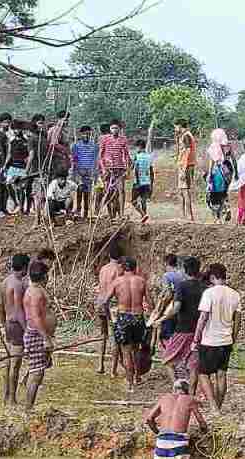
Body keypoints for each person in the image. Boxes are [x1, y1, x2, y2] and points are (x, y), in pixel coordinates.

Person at [192, 263, 240, 412]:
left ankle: (213, 406)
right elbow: (237, 321)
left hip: (209, 341)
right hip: (226, 341)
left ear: (212, 277)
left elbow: (203, 318)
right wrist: (233, 338)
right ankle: (219, 406)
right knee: (221, 373)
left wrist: (196, 338)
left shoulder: (209, 293)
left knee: (202, 373)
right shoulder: (235, 294)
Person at [155, 256, 204, 383]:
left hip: (183, 329)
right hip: (200, 331)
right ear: (198, 270)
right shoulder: (204, 288)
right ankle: (191, 394)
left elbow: (176, 308)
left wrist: (161, 319)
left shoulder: (182, 286)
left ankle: (176, 387)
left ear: (184, 270)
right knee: (193, 366)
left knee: (167, 360)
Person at [145, 379, 208, 459]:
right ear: (187, 390)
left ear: (174, 389)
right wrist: (204, 431)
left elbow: (149, 419)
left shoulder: (164, 398)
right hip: (178, 440)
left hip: (162, 441)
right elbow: (201, 422)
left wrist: (157, 432)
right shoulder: (190, 399)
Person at [108, 257, 151, 390]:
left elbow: (105, 300)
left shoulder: (117, 282)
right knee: (136, 349)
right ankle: (137, 377)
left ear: (123, 268)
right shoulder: (141, 281)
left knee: (126, 352)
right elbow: (150, 303)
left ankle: (130, 383)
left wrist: (110, 316)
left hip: (123, 317)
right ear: (135, 268)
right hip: (138, 317)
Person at [21, 261, 56, 410]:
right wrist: (45, 338)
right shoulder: (35, 292)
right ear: (43, 276)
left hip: (39, 334)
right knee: (37, 374)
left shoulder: (37, 289)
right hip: (36, 335)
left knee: (39, 369)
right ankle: (28, 409)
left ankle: (25, 383)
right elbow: (35, 317)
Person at [0, 254, 30, 405]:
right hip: (17, 326)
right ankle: (12, 399)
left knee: (9, 363)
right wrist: (27, 330)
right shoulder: (17, 284)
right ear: (24, 267)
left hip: (8, 325)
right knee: (15, 364)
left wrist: (3, 324)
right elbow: (19, 312)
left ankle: (5, 395)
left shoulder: (5, 282)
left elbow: (1, 306)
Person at [96, 245, 123, 375]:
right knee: (115, 337)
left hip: (100, 302)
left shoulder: (103, 269)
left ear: (109, 256)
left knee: (103, 335)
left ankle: (100, 365)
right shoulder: (119, 269)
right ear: (121, 257)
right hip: (112, 304)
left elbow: (101, 286)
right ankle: (113, 370)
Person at [98, 120, 130, 219]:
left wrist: (127, 168)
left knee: (121, 191)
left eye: (116, 128)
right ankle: (105, 213)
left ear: (119, 129)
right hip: (108, 169)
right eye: (112, 128)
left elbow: (126, 154)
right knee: (108, 191)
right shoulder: (105, 139)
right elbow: (100, 155)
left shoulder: (123, 139)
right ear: (110, 129)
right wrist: (103, 169)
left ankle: (121, 214)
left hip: (120, 169)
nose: (114, 130)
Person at [205, 128, 234, 224]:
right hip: (227, 170)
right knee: (224, 192)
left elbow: (212, 161)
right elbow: (233, 159)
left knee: (214, 195)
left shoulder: (214, 147)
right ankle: (226, 206)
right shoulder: (227, 146)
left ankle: (218, 218)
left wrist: (209, 174)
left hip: (218, 171)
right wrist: (236, 173)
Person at [71, 126, 97, 220]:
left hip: (89, 173)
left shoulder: (94, 146)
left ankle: (86, 214)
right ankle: (78, 212)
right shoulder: (76, 146)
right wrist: (77, 171)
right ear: (81, 134)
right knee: (79, 192)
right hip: (79, 173)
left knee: (87, 194)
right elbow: (74, 159)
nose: (86, 135)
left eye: (88, 134)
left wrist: (93, 173)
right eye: (85, 134)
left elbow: (95, 160)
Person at [174, 119, 197, 221]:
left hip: (186, 166)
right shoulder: (185, 135)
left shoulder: (186, 135)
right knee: (182, 191)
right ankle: (183, 216)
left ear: (180, 126)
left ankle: (189, 216)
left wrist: (183, 169)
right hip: (185, 165)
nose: (175, 129)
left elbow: (187, 151)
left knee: (185, 191)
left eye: (176, 126)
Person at [131, 139, 153, 223]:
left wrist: (137, 182)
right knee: (143, 200)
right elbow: (151, 171)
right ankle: (144, 216)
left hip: (138, 182)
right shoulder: (149, 156)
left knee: (133, 201)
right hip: (147, 182)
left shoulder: (137, 156)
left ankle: (143, 214)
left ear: (139, 147)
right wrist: (151, 183)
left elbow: (135, 168)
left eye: (136, 147)